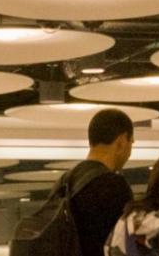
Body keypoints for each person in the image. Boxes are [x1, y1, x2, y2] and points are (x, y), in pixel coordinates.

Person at [64, 108, 135, 256]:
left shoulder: (66, 181)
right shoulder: (115, 186)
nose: (130, 151)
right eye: (131, 143)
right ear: (121, 142)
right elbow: (123, 245)